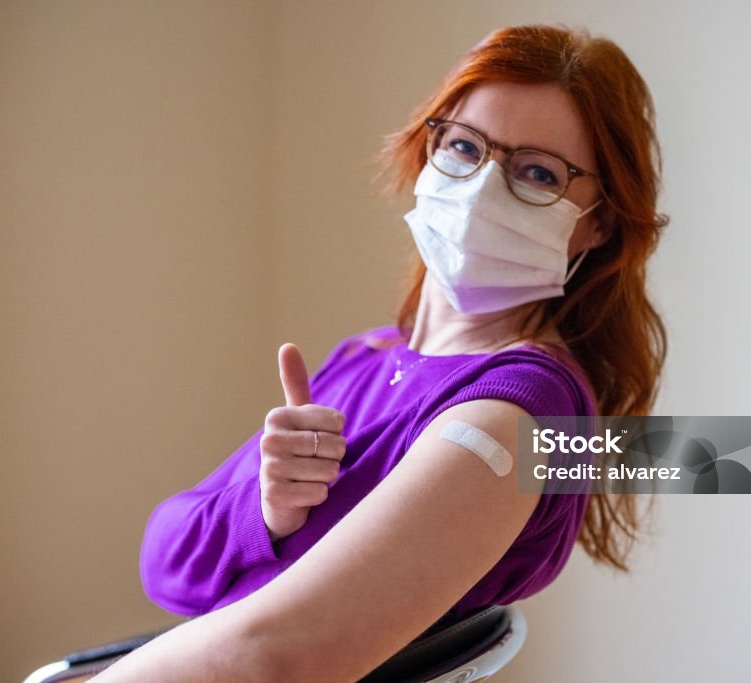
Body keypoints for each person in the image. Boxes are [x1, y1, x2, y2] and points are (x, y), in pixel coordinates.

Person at [91, 23, 666, 683]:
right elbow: (165, 564)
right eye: (464, 146)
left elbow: (275, 657)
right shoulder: (368, 356)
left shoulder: (519, 415)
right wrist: (263, 510)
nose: (481, 189)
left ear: (598, 220)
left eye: (537, 172)